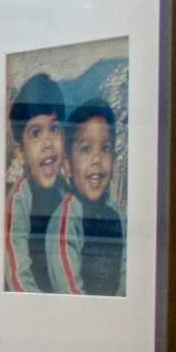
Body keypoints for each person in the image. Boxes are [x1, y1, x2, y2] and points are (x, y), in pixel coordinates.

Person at [5, 74, 73, 294]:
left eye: (54, 129)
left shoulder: (69, 194)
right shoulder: (19, 201)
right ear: (20, 153)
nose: (47, 143)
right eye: (36, 133)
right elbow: (17, 274)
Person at [63, 95, 127, 297]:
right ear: (67, 165)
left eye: (105, 148)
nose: (97, 159)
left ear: (114, 160)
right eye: (86, 149)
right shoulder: (66, 220)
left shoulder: (116, 219)